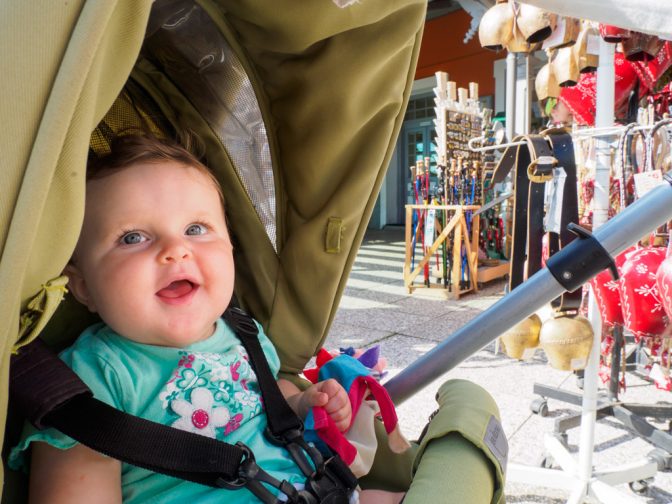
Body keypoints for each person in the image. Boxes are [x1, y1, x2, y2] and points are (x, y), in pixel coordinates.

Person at [10, 134, 404, 504]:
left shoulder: (244, 333)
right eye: (132, 237)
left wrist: (301, 403)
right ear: (83, 288)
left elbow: (271, 396)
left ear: (230, 247)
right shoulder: (95, 378)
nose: (176, 250)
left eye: (195, 229)